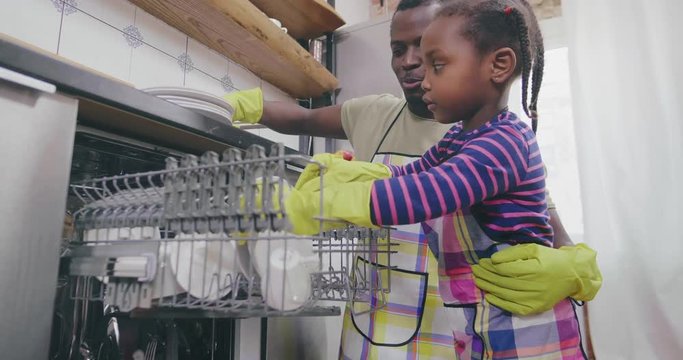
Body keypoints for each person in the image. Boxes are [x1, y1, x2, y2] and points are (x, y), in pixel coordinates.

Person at [225, 1, 601, 358]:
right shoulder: (403, 120)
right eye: (398, 49)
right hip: (394, 331)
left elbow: (421, 193)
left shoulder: (500, 143)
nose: (411, 63)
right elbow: (317, 127)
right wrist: (241, 107)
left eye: (429, 55)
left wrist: (576, 270)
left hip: (486, 332)